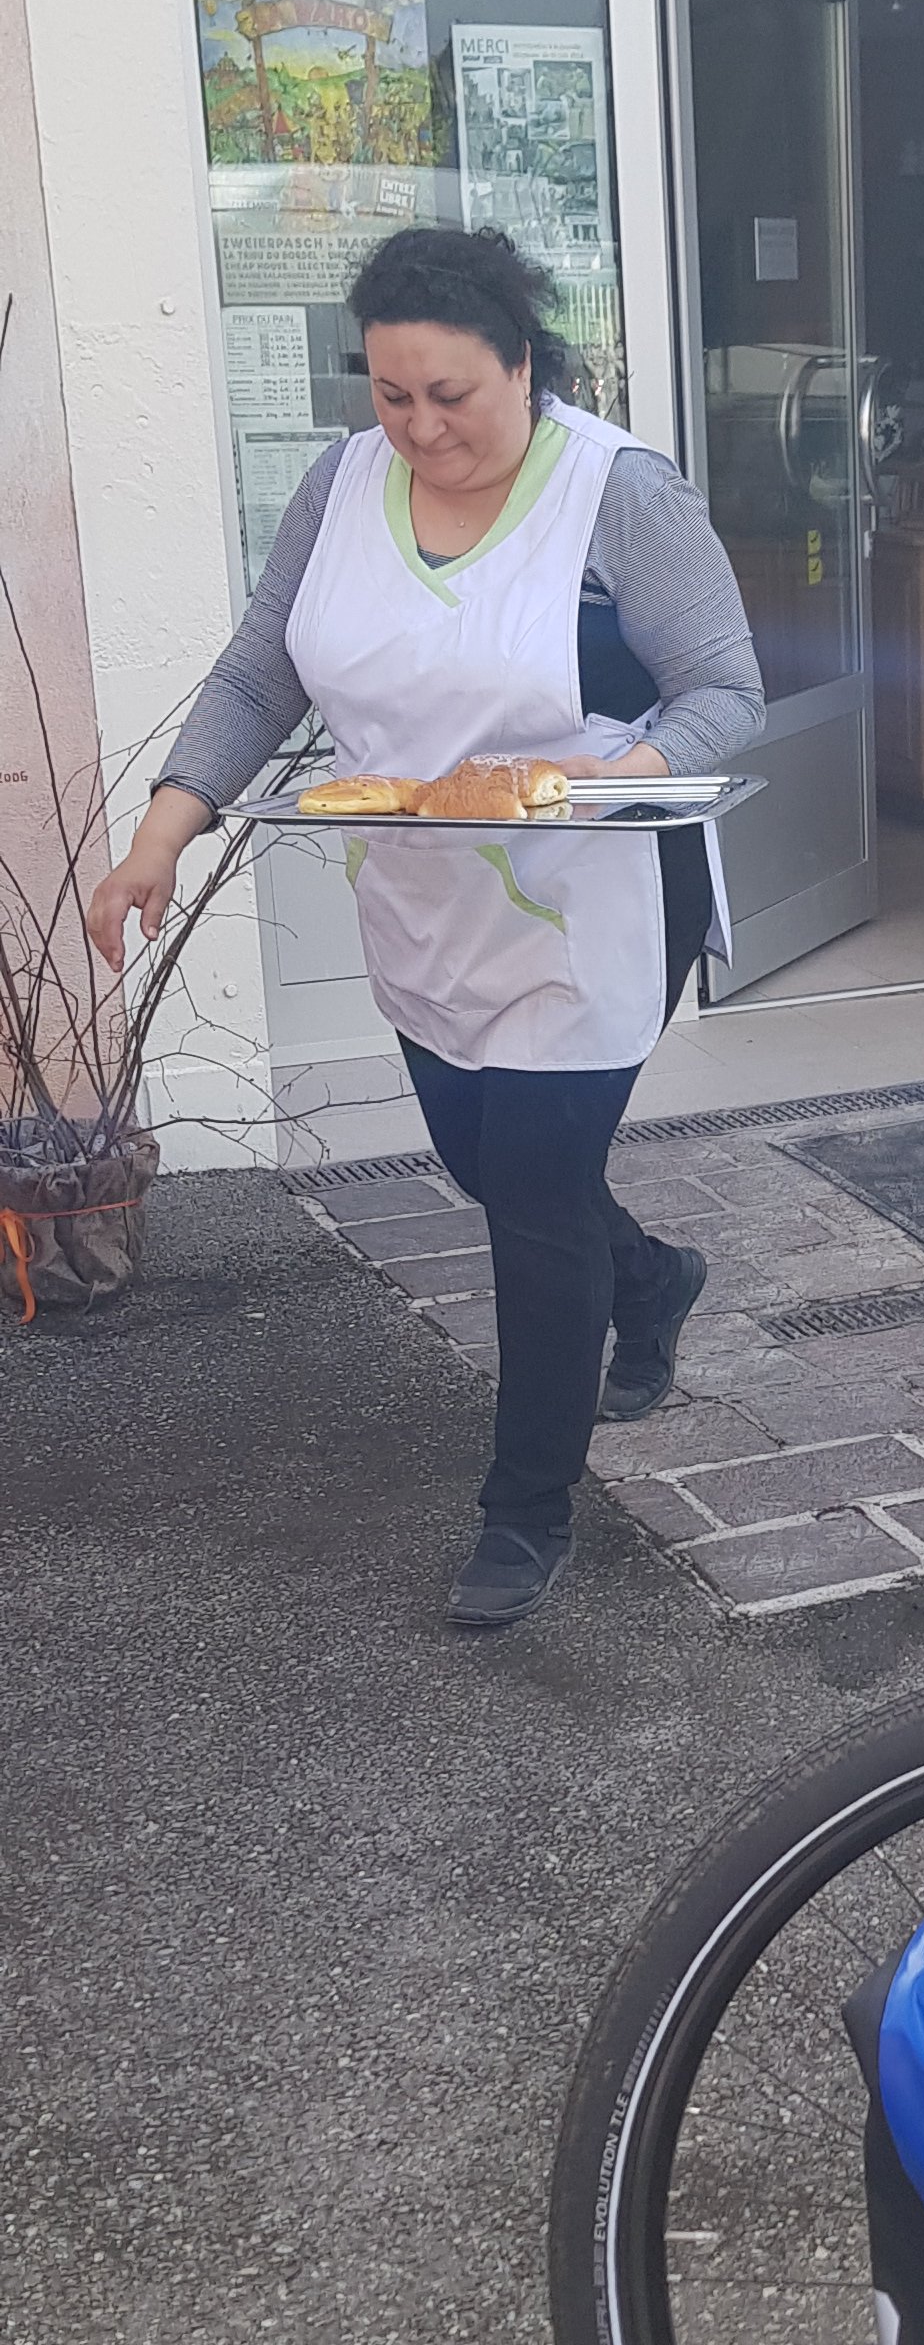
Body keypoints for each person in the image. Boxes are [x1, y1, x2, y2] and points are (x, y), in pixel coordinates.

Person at [88, 226, 764, 1631]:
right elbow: (264, 662)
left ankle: (526, 1511)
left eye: (452, 395)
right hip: (422, 895)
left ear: (526, 363)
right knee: (483, 1160)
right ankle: (653, 1276)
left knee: (530, 1191)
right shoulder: (343, 483)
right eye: (393, 397)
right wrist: (166, 825)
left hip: (595, 906)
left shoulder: (616, 493)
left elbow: (722, 693)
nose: (420, 427)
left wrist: (588, 784)